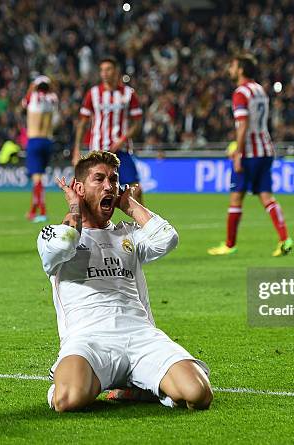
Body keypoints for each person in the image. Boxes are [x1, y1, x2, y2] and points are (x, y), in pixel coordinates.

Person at [38, 151, 212, 411]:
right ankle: (65, 379)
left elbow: (168, 239)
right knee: (68, 400)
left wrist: (129, 206)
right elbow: (65, 242)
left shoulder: (128, 234)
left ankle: (137, 387)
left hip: (141, 336)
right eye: (99, 179)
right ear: (79, 188)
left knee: (198, 393)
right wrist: (74, 207)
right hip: (89, 340)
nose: (109, 186)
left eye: (113, 179)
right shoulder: (53, 237)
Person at [207, 54, 293, 257]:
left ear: (241, 70)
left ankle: (229, 244)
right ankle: (284, 238)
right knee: (267, 197)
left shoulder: (240, 93)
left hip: (250, 153)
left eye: (233, 66)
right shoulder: (260, 90)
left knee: (236, 198)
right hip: (266, 149)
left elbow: (243, 125)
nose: (230, 70)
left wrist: (238, 153)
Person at [72, 56, 144, 204]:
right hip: (98, 152)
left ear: (116, 71)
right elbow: (82, 123)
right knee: (93, 193)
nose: (104, 73)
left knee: (136, 190)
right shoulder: (93, 94)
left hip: (122, 150)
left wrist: (122, 140)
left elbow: (137, 123)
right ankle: (90, 226)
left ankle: (145, 226)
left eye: (108, 69)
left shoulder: (128, 93)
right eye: (102, 70)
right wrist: (76, 150)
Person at [21, 75, 59, 223]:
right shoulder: (53, 98)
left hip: (34, 140)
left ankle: (42, 212)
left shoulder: (32, 97)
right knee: (39, 178)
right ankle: (33, 211)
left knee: (36, 179)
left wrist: (33, 86)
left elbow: (24, 102)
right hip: (48, 140)